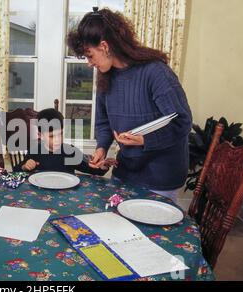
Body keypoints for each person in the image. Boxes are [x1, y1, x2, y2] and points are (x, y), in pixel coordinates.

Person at [67, 7, 192, 202]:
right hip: (126, 170)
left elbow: (182, 122)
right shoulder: (105, 77)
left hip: (161, 176)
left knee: (152, 231)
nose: (88, 64)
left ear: (105, 46)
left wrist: (145, 141)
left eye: (90, 55)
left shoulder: (155, 72)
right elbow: (104, 123)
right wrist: (101, 148)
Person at [14, 108, 116, 175]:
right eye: (52, 136)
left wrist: (102, 166)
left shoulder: (70, 152)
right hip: (39, 194)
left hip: (65, 194)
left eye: (61, 134)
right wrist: (25, 166)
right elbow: (16, 170)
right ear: (40, 136)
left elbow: (90, 169)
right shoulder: (34, 151)